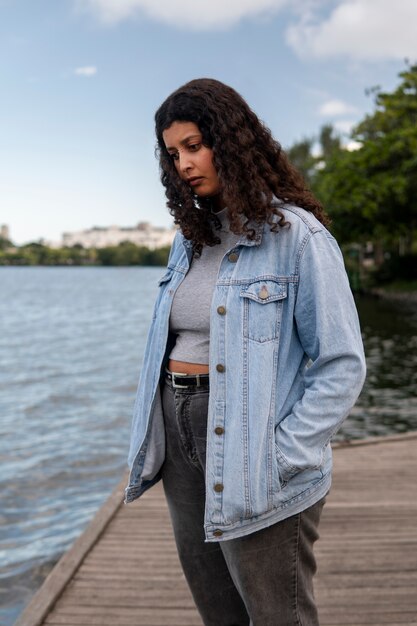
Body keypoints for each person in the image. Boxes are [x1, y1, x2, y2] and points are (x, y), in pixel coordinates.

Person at [125, 78, 366, 625]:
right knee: (220, 614)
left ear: (231, 142)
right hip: (180, 436)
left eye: (194, 145)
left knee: (280, 615)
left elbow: (341, 364)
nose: (184, 163)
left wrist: (280, 457)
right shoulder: (190, 238)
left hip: (253, 444)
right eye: (173, 154)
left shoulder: (298, 236)